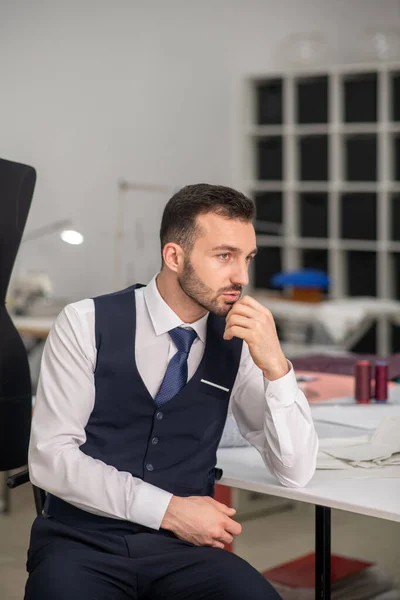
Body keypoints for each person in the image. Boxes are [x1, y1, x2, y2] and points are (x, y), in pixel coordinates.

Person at [26, 183, 318, 600]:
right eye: (224, 256)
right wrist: (170, 510)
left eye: (247, 258)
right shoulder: (84, 322)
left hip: (185, 554)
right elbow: (50, 459)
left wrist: (276, 367)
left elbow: (296, 471)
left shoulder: (239, 340)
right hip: (79, 544)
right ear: (174, 256)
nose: (243, 277)